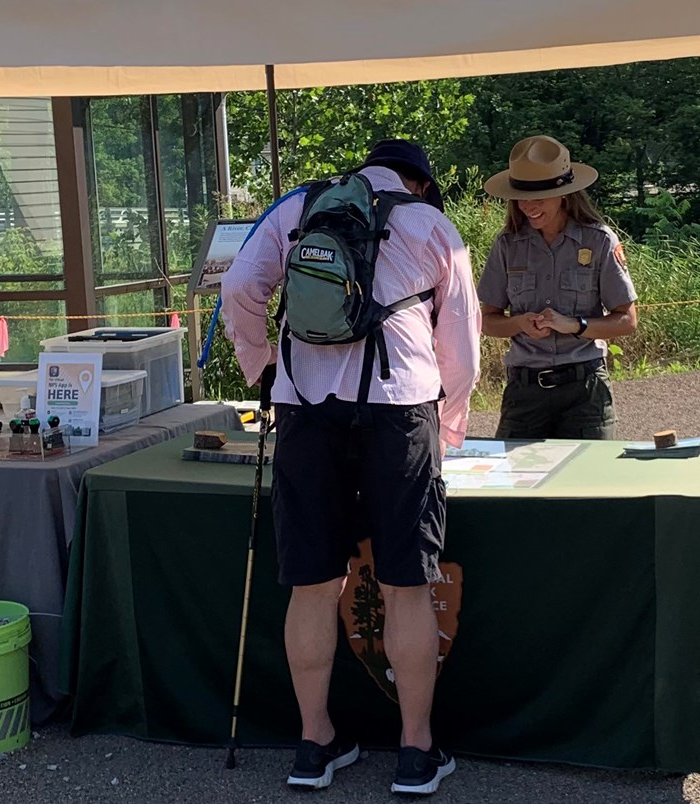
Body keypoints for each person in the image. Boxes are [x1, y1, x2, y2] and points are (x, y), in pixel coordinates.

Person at [221, 139, 479, 796]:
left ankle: (314, 746)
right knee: (406, 586)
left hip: (305, 409)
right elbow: (464, 349)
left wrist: (263, 367)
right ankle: (416, 754)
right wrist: (450, 425)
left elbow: (238, 289)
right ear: (420, 182)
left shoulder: (298, 209)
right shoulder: (431, 225)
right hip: (400, 410)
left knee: (312, 585)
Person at [478, 135, 637, 440]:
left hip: (586, 393)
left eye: (539, 197)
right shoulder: (507, 245)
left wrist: (574, 325)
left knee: (588, 485)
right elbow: (487, 321)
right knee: (514, 486)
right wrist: (519, 323)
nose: (528, 206)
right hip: (524, 394)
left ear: (564, 194)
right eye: (522, 196)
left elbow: (627, 320)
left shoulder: (599, 241)